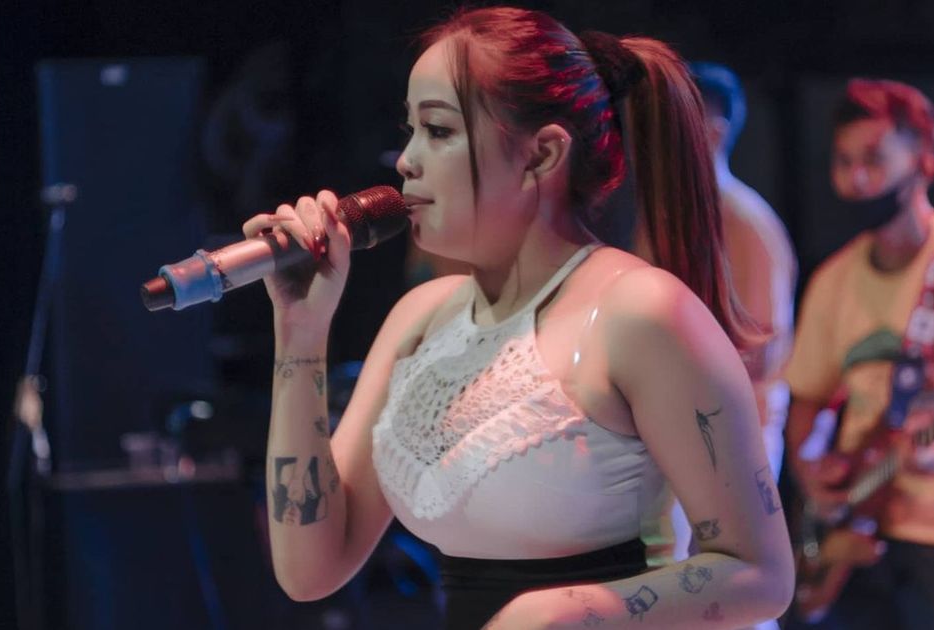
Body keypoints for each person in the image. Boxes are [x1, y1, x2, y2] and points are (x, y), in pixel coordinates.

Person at [243, 6, 793, 629]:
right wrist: (301, 331)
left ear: (543, 154)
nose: (406, 160)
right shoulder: (419, 319)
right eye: (411, 130)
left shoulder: (641, 312)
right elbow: (308, 570)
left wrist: (566, 611)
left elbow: (761, 577)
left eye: (439, 130)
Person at [784, 78, 934, 629]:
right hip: (856, 530)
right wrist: (811, 475)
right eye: (844, 162)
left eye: (873, 159)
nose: (858, 180)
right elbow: (806, 402)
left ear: (923, 158)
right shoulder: (833, 280)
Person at [658, 62, 799, 569]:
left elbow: (762, 354)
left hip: (737, 441)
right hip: (685, 431)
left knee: (724, 583)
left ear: (713, 133)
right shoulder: (674, 216)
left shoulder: (745, 222)